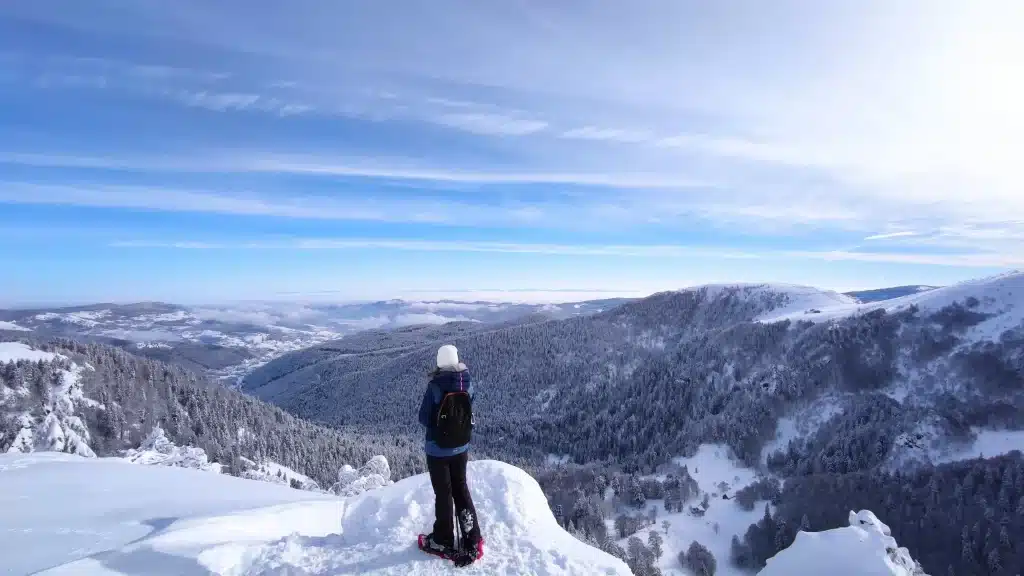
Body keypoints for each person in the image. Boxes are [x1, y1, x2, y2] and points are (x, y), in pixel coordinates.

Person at [418, 344, 483, 565]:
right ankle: (472, 537)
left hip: (437, 449)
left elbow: (424, 418)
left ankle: (443, 539)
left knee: (444, 494)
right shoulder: (469, 384)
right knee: (461, 489)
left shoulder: (435, 386)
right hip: (461, 447)